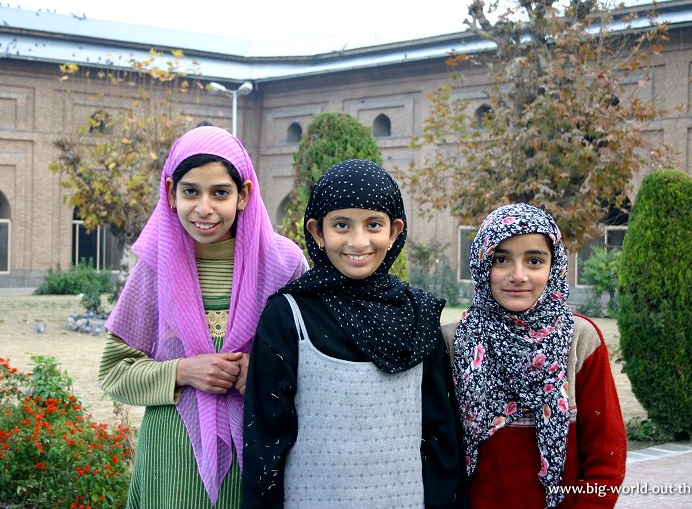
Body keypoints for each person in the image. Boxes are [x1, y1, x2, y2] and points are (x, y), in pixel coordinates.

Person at [98, 125, 308, 508]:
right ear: (170, 194)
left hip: (259, 452)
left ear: (243, 194)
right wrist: (182, 371)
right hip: (173, 460)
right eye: (191, 191)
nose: (204, 208)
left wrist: (263, 373)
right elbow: (113, 374)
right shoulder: (156, 268)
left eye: (220, 193)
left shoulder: (283, 264)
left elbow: (313, 363)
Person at [242, 159, 466, 508]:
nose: (358, 241)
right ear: (317, 231)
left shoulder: (418, 315)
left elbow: (440, 436)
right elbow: (266, 441)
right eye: (342, 225)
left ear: (394, 232)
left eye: (373, 225)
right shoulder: (289, 315)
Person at [450, 203, 626, 508]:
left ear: (555, 266)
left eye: (534, 261)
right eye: (501, 259)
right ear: (481, 265)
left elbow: (605, 460)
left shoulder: (579, 340)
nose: (518, 275)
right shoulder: (454, 342)